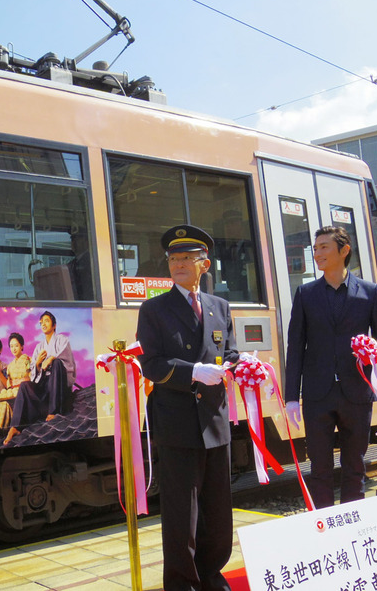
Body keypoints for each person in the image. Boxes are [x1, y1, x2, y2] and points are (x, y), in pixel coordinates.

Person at [136, 224, 239, 591]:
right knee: (182, 516)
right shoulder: (154, 310)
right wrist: (194, 371)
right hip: (177, 424)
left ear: (204, 264)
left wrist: (241, 366)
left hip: (214, 421)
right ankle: (182, 583)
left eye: (187, 258)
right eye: (173, 258)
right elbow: (152, 364)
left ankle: (211, 575)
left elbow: (230, 354)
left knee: (218, 512)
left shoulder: (219, 307)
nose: (178, 264)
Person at [284, 226, 377, 509]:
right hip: (317, 394)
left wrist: (373, 350)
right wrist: (292, 396)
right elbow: (295, 346)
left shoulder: (370, 292)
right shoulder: (305, 294)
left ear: (343, 251)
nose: (317, 253)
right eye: (315, 247)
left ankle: (352, 523)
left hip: (356, 392)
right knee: (319, 469)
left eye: (324, 247)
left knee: (354, 466)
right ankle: (323, 527)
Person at [3, 311, 77, 444]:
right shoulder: (39, 347)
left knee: (57, 363)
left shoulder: (62, 340)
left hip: (58, 388)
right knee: (25, 385)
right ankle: (15, 426)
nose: (43, 324)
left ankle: (54, 411)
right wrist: (37, 364)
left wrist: (52, 359)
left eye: (47, 321)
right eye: (41, 322)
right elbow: (33, 374)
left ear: (54, 325)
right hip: (45, 390)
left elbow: (66, 361)